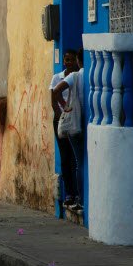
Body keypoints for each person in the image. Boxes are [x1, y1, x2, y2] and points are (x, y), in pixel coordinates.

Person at [52, 50, 85, 211]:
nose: (69, 62)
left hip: (73, 121)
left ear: (77, 60)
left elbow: (56, 92)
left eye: (72, 59)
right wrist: (63, 110)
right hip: (67, 120)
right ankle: (71, 194)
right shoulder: (60, 77)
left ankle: (78, 196)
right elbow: (54, 94)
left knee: (76, 160)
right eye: (66, 60)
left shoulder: (77, 76)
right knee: (68, 158)